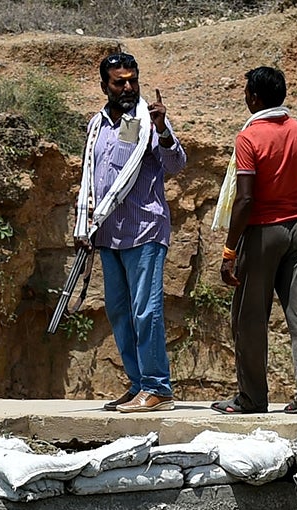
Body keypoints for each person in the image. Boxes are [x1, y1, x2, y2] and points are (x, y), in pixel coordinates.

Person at [75, 51, 188, 414]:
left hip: (144, 229)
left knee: (146, 311)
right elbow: (93, 177)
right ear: (104, 85)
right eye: (119, 82)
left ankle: (158, 387)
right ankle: (139, 384)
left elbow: (175, 164)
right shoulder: (100, 125)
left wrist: (163, 130)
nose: (127, 87)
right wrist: (85, 223)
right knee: (120, 312)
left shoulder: (144, 121)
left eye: (132, 81)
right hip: (108, 233)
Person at [215, 66, 297, 415]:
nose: (245, 96)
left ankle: (252, 398)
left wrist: (230, 249)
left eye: (247, 91)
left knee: (249, 318)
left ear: (255, 97)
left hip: (263, 232)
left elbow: (245, 199)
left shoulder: (249, 138)